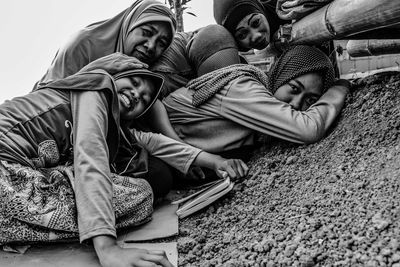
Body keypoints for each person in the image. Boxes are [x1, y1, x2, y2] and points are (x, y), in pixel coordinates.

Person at [0, 56, 248, 267]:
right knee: (135, 196)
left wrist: (215, 161)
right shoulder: (95, 86)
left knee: (139, 193)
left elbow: (158, 143)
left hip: (19, 181)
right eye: (135, 82)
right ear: (115, 74)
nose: (136, 94)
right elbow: (90, 156)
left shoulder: (117, 129)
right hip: (5, 174)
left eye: (143, 99)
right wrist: (107, 247)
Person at [163, 45, 350, 159]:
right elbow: (308, 129)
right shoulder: (244, 89)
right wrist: (339, 88)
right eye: (294, 89)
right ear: (280, 75)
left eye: (311, 100)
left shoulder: (259, 91)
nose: (295, 103)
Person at [33, 0, 176, 89]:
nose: (151, 46)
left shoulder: (147, 73)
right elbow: (47, 94)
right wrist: (96, 70)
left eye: (161, 43)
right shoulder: (84, 43)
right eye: (147, 32)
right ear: (129, 24)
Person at [213, 0, 287, 52]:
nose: (256, 36)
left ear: (261, 9)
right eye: (242, 35)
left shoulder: (287, 7)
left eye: (256, 22)